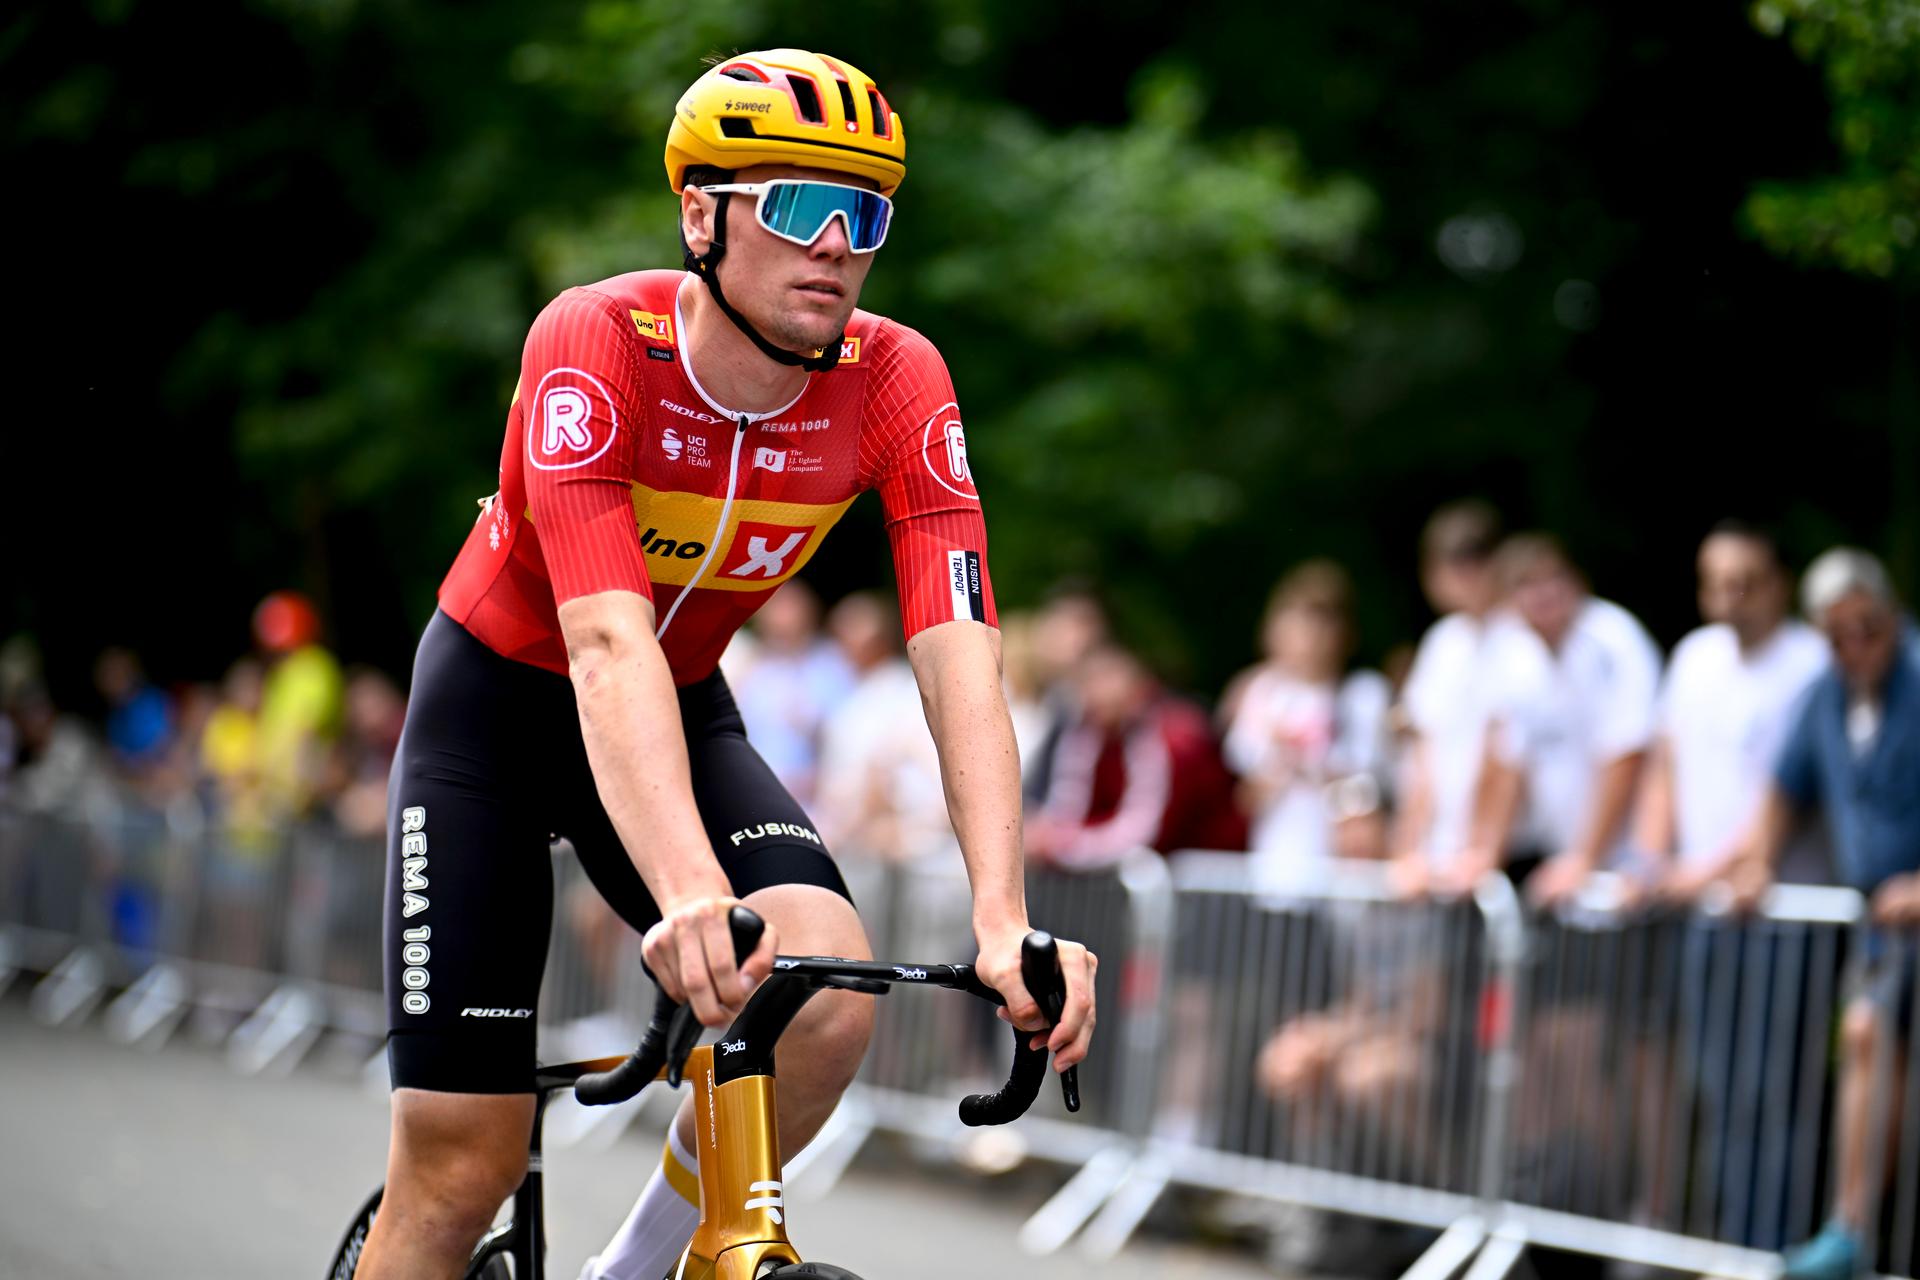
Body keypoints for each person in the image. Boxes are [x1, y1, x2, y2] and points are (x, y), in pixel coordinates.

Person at [353, 51, 1097, 1280]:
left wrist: (1004, 914)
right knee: (458, 1165)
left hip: (679, 705)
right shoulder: (598, 340)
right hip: (496, 714)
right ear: (703, 213)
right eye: (802, 205)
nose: (839, 246)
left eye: (869, 215)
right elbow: (600, 639)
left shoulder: (897, 379)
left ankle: (631, 1273)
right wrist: (692, 888)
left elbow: (960, 646)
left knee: (821, 996)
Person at [1730, 549, 1920, 1280]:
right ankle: (1850, 1232)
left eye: (1867, 629)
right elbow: (1783, 788)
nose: (1855, 647)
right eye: (1838, 635)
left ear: (1891, 615)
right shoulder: (1823, 697)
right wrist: (1756, 862)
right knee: (1865, 1034)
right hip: (1880, 928)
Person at [1459, 535, 1662, 902]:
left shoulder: (1612, 638)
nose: (1543, 594)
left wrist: (1585, 857)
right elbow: (1509, 764)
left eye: (1552, 578)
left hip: (1627, 868)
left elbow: (1626, 756)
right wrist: (1484, 853)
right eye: (1526, 584)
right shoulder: (1518, 656)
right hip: (1569, 866)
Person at [1635, 522, 1830, 897]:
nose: (1728, 595)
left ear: (1779, 583)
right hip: (1696, 895)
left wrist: (1703, 875)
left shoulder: (1812, 663)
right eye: (1714, 581)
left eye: (1743, 581)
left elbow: (1792, 792)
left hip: (1780, 899)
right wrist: (1652, 864)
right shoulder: (1694, 656)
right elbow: (1664, 765)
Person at [1222, 561, 1392, 887]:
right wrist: (1281, 761)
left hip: (1347, 874)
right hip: (1277, 870)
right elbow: (1247, 794)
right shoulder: (1263, 693)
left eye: (1323, 624)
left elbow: (1370, 783)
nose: (1311, 638)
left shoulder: (1364, 694)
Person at [1025, 642, 1245, 866]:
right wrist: (1048, 835)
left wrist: (1065, 846)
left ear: (1137, 688)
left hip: (1208, 869)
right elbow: (1069, 804)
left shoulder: (1172, 739)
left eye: (1105, 679)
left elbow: (1144, 830)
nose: (1095, 692)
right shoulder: (1086, 736)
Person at [1391, 501, 1512, 895]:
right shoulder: (1443, 642)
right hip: (1444, 859)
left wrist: (1482, 849)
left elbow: (1509, 757)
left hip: (1501, 856)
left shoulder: (1521, 639)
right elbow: (1424, 757)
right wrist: (1407, 848)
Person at [726, 579, 852, 804]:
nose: (779, 617)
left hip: (815, 798)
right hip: (751, 790)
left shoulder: (831, 666)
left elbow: (844, 736)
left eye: (787, 606)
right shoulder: (750, 666)